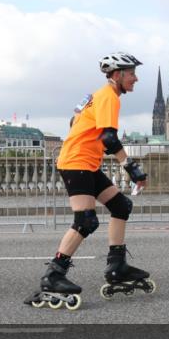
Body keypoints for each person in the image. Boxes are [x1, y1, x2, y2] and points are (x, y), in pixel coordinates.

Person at [25, 52, 154, 310]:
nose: (136, 78)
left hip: (85, 163)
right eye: (131, 74)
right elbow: (109, 139)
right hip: (76, 163)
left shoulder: (96, 96)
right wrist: (132, 168)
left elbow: (75, 120)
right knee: (85, 221)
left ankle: (117, 266)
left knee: (121, 207)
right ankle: (53, 275)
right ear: (117, 75)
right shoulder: (109, 98)